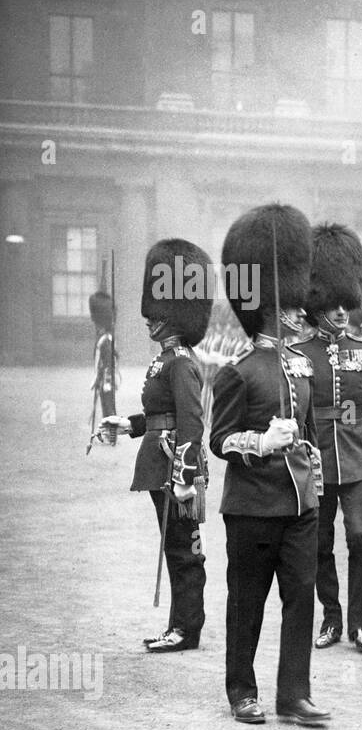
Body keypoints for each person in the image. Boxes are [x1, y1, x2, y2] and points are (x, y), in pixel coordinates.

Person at [209, 202, 329, 727]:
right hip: (253, 505)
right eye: (292, 308)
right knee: (248, 601)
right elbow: (219, 442)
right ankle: (242, 689)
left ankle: (294, 694)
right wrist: (260, 441)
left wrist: (313, 457)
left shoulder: (301, 369)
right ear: (270, 310)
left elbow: (312, 428)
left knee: (301, 598)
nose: (301, 314)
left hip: (300, 502)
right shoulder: (238, 372)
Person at [99, 238, 214, 652]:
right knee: (175, 547)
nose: (150, 322)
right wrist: (128, 423)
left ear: (173, 317)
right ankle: (180, 624)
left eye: (157, 315)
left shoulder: (181, 361)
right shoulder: (166, 360)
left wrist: (185, 476)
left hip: (173, 468)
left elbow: (191, 423)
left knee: (184, 550)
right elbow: (160, 416)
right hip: (160, 462)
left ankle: (187, 628)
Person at [297, 223, 362, 654]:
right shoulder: (298, 354)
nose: (341, 312)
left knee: (359, 536)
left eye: (345, 303)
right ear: (318, 305)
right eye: (333, 304)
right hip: (316, 461)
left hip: (356, 460)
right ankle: (331, 617)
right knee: (320, 543)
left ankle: (359, 622)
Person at [90, 288, 118, 429]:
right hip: (104, 379)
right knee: (106, 406)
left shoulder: (105, 340)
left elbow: (108, 364)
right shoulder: (104, 338)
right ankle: (109, 432)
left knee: (109, 408)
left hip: (107, 380)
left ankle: (111, 435)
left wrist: (105, 381)